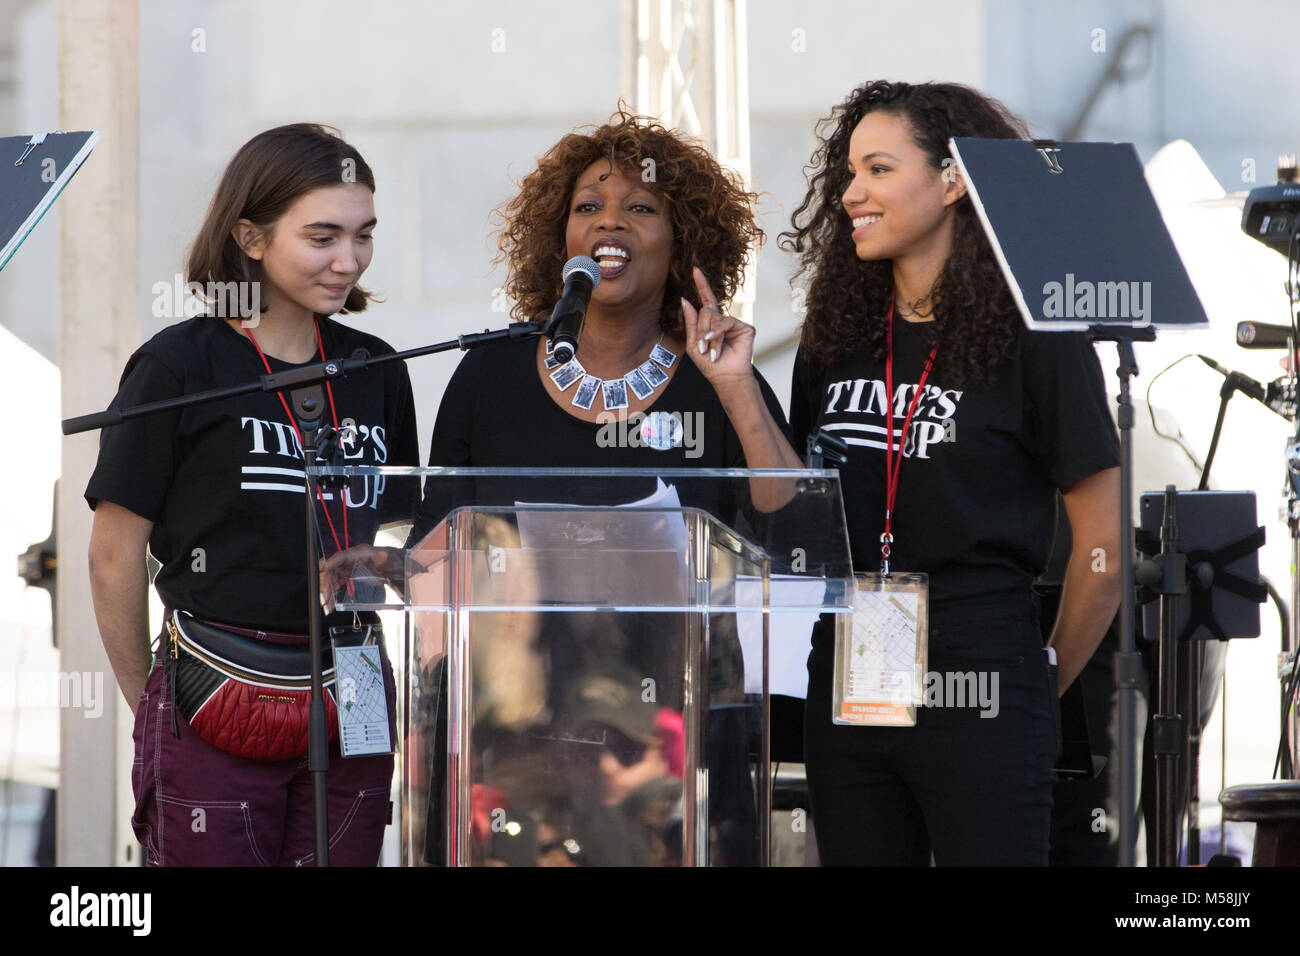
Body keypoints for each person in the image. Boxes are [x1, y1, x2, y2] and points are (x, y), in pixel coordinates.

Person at [326, 110, 794, 865]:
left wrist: (735, 386)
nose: (611, 222)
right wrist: (389, 569)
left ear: (682, 243)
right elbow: (442, 543)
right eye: (588, 208)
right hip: (507, 751)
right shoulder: (492, 374)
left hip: (675, 754)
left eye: (641, 208)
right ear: (561, 239)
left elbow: (788, 520)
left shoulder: (717, 381)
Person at [765, 80, 1122, 866]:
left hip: (984, 656)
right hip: (851, 658)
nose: (852, 193)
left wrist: (1034, 686)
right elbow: (792, 509)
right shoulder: (837, 335)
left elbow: (1103, 554)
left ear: (955, 178)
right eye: (849, 172)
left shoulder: (1040, 337)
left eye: (879, 170)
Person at [86, 124, 419, 866]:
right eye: (323, 236)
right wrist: (151, 707)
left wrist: (395, 566)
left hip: (358, 670)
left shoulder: (378, 368)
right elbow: (113, 557)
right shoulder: (179, 363)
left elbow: (393, 530)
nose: (349, 260)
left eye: (364, 236)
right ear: (252, 236)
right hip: (217, 673)